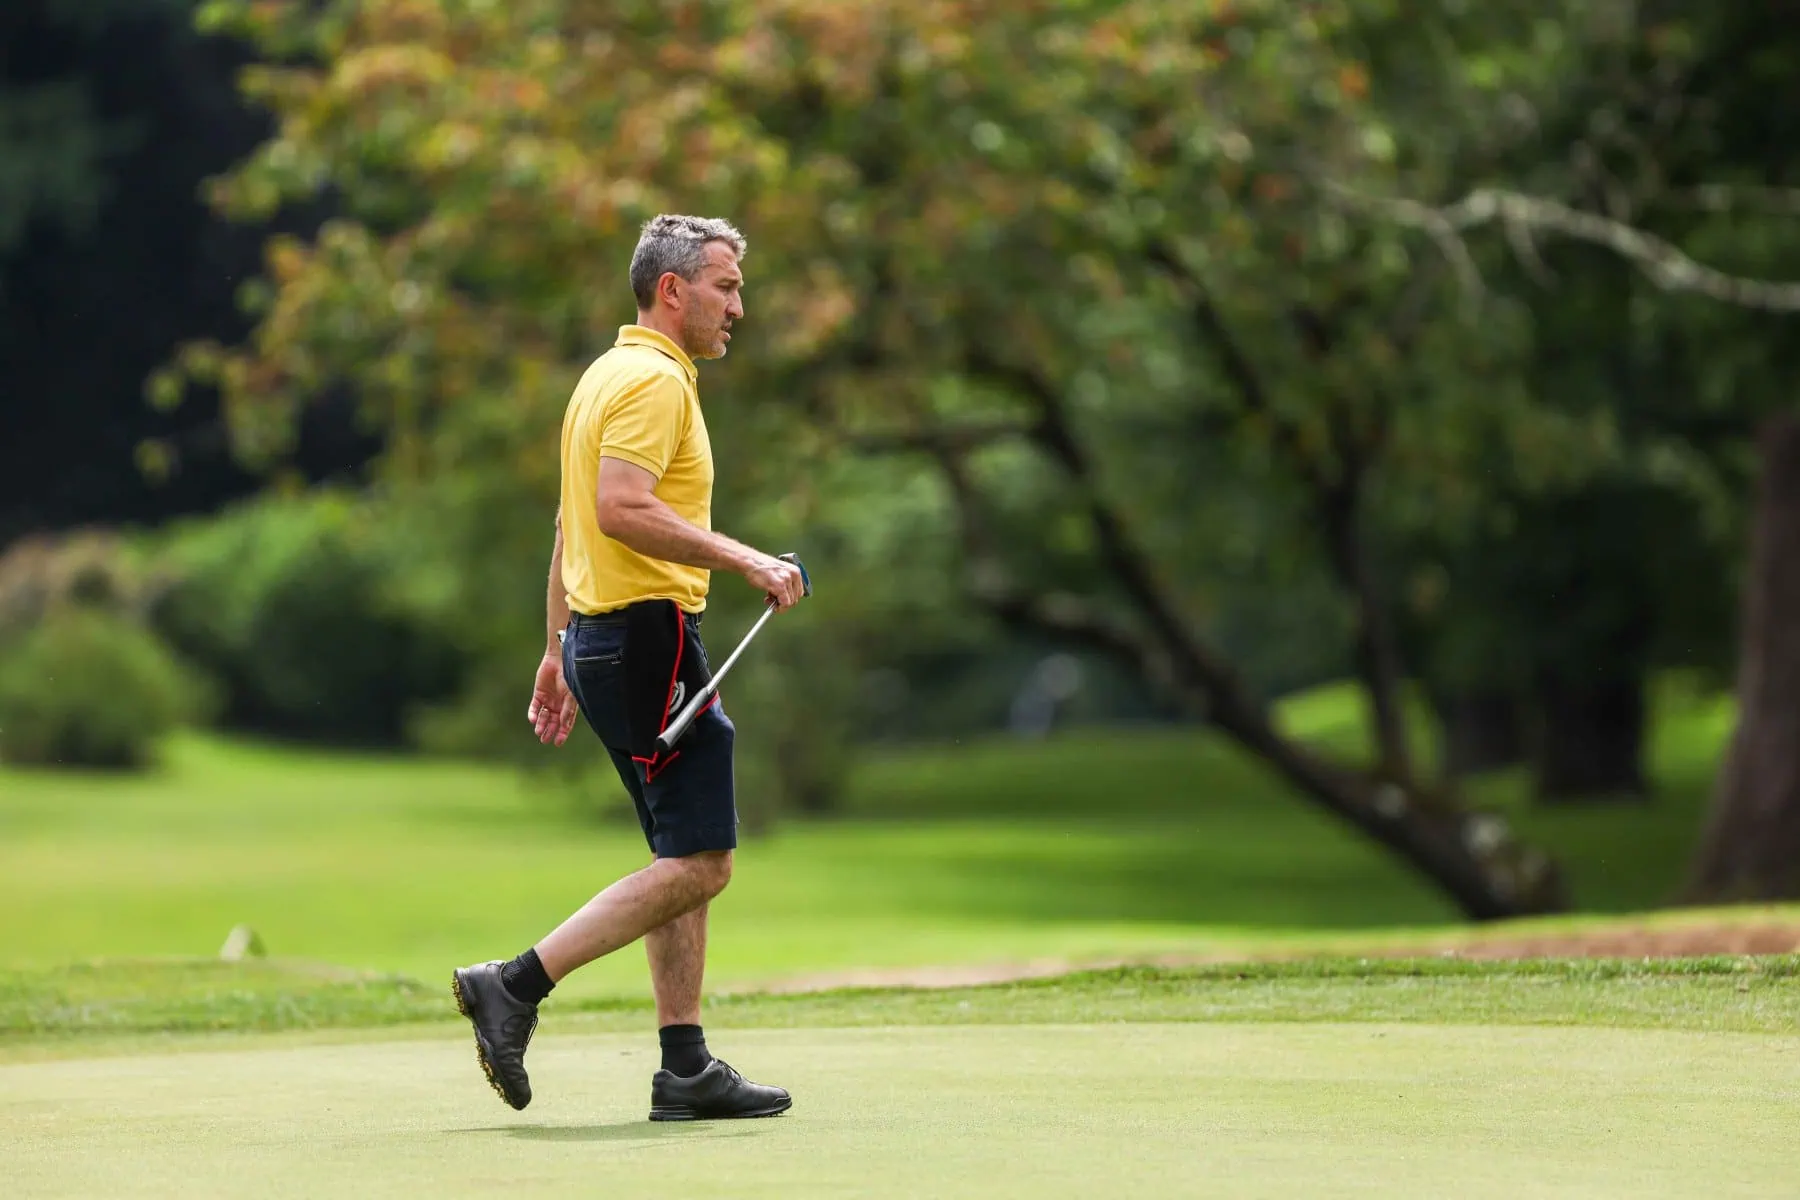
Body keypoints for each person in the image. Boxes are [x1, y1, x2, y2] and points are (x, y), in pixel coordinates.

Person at [452, 214, 808, 1122]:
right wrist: (749, 560)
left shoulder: (606, 376)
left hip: (609, 640)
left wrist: (554, 648)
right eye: (726, 287)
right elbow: (616, 510)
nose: (739, 306)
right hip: (647, 641)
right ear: (673, 290)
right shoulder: (654, 383)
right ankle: (516, 984)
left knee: (678, 849)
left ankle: (684, 1066)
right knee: (706, 863)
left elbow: (571, 524)